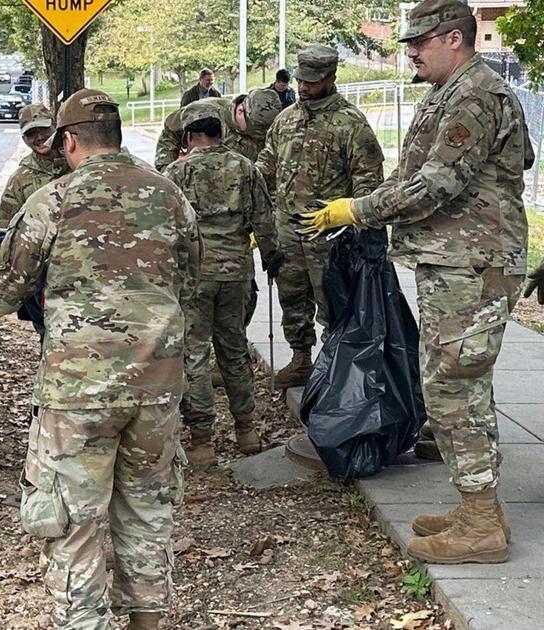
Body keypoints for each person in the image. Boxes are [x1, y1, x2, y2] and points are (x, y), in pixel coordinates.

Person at [298, 0, 533, 564]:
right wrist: (366, 205)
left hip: (472, 265)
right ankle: (482, 508)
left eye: (420, 42)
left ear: (454, 38)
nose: (411, 53)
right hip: (459, 262)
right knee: (462, 384)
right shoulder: (452, 92)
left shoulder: (475, 95)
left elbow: (434, 185)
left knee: (452, 388)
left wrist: (357, 210)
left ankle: (481, 525)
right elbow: (512, 158)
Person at [0, 89, 200, 630]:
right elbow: (190, 279)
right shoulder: (168, 194)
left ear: (70, 140)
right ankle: (146, 622)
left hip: (78, 391)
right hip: (156, 383)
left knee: (73, 521)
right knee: (147, 508)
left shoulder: (53, 199)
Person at [255, 45, 385, 389]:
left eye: (312, 82)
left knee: (334, 302)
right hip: (287, 230)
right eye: (301, 80)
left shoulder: (350, 123)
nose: (304, 87)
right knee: (292, 297)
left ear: (331, 78)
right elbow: (267, 164)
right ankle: (301, 359)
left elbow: (369, 182)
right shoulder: (285, 119)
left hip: (329, 234)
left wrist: (353, 221)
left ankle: (334, 366)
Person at [163, 101, 281, 467]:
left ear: (189, 135)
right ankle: (246, 429)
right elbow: (264, 222)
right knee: (234, 349)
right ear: (221, 132)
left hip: (194, 277)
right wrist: (271, 258)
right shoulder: (245, 168)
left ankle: (202, 440)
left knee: (195, 355)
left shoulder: (175, 173)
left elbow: (165, 228)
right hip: (236, 274)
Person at [156, 88, 283, 173]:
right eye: (256, 130)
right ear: (240, 111)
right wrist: (167, 170)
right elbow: (169, 133)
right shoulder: (204, 110)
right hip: (197, 181)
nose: (259, 134)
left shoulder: (267, 126)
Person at [0, 104, 69, 230]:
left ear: (55, 126)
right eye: (31, 133)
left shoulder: (78, 162)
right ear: (24, 139)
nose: (39, 137)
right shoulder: (19, 180)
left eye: (43, 129)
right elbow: (4, 227)